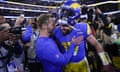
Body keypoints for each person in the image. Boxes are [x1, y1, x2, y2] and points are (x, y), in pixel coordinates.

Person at [53, 1, 115, 72]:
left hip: (82, 65)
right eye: (61, 24)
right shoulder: (55, 31)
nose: (62, 28)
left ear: (74, 22)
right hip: (65, 65)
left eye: (65, 25)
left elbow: (96, 44)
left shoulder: (82, 28)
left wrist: (106, 62)